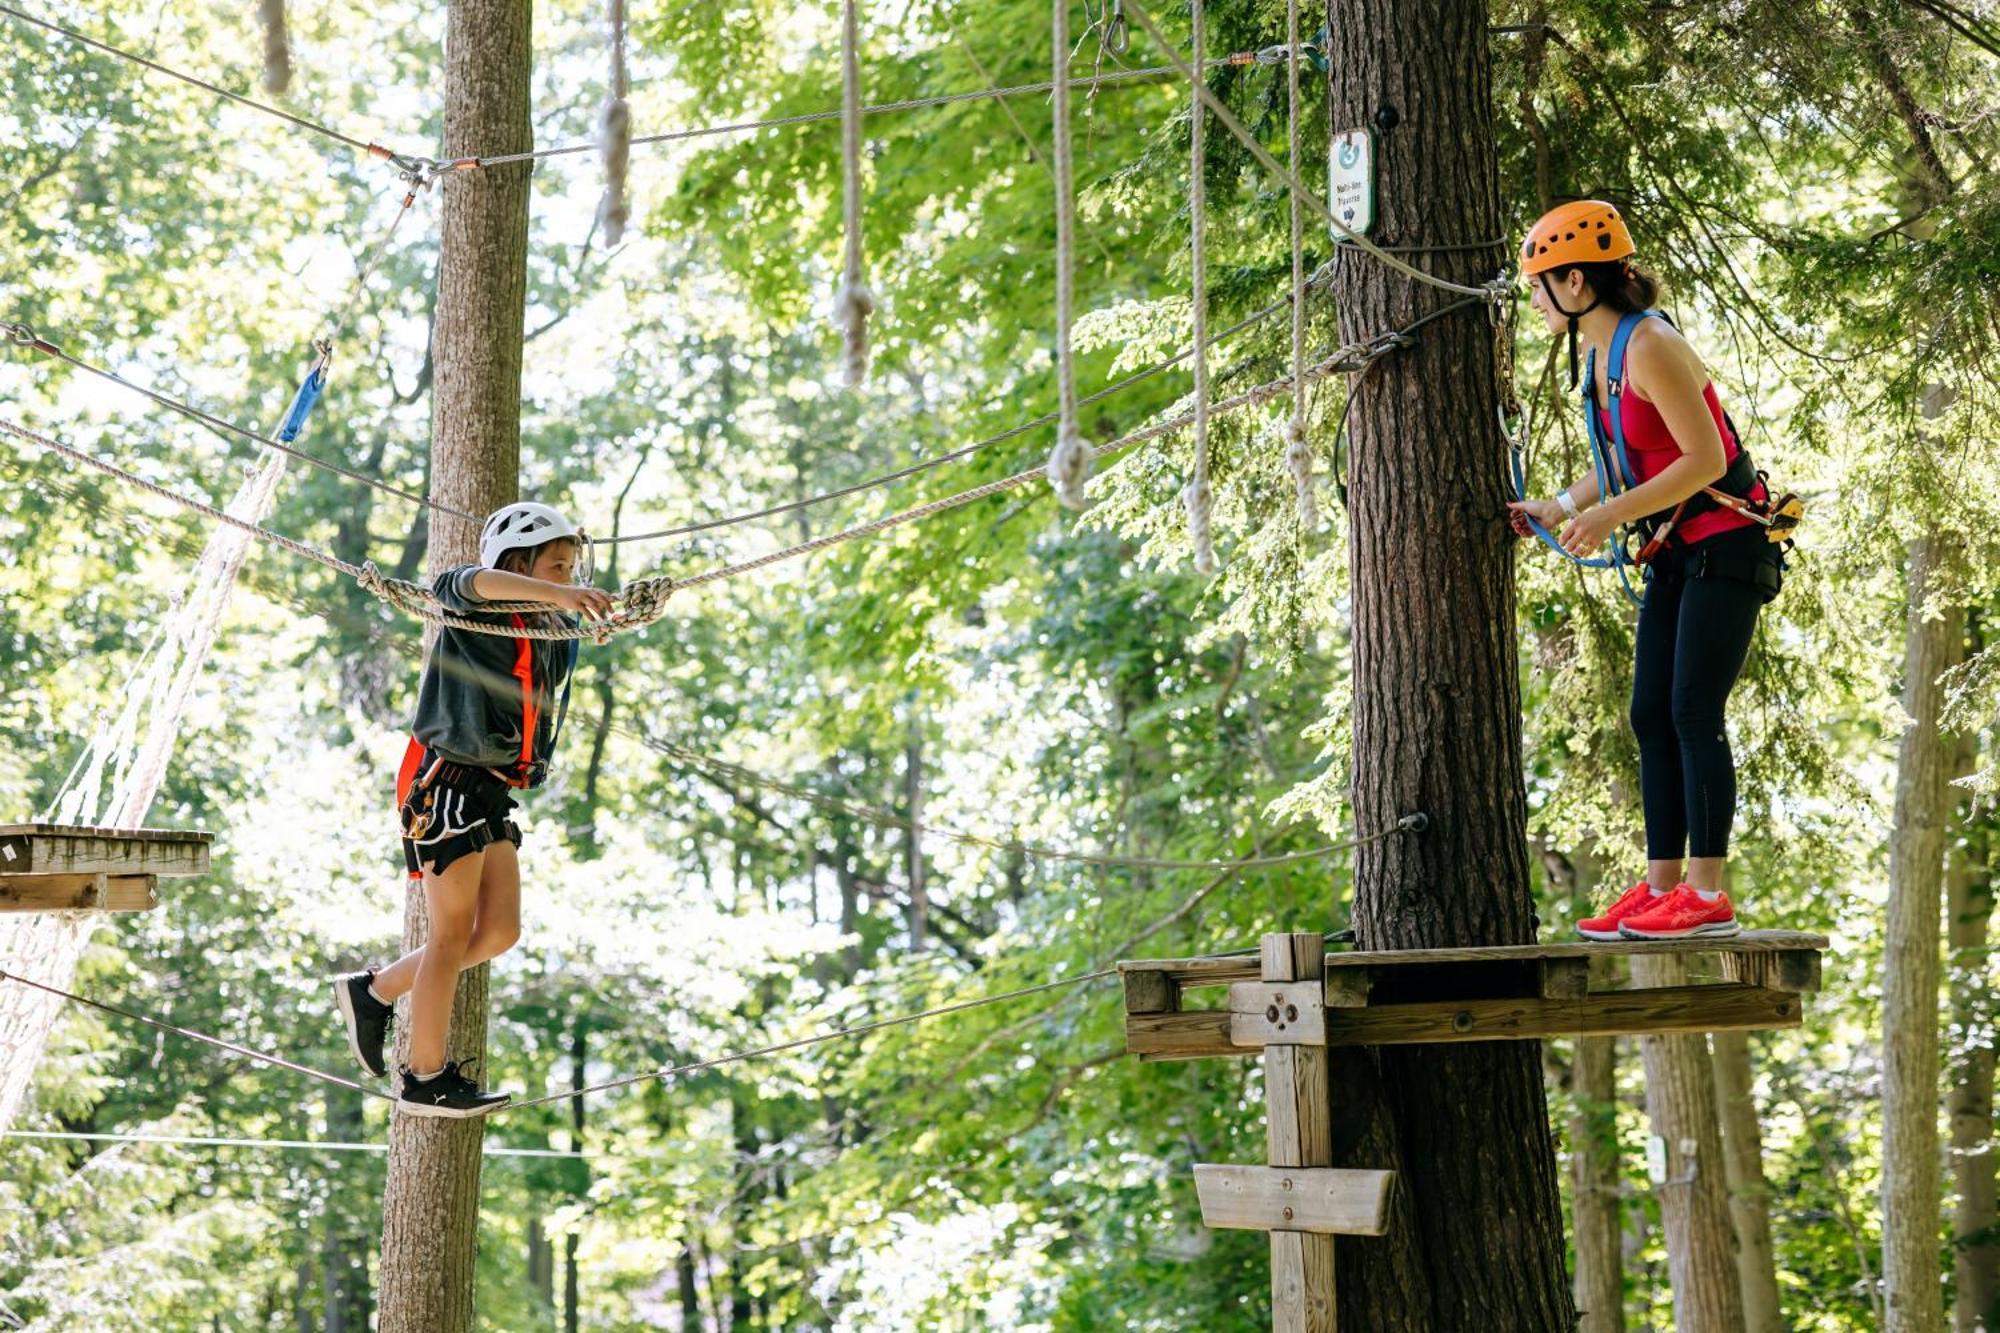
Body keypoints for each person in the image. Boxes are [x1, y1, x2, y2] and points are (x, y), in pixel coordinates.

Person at [1506, 200, 1786, 943]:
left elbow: (1708, 459)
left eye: (1538, 283)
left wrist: (1606, 515)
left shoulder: (1651, 345)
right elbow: (1622, 460)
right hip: (1675, 550)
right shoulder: (1600, 355)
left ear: (1574, 282)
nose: (1532, 298)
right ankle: (1662, 884)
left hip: (1726, 544)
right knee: (1649, 715)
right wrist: (1563, 504)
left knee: (1694, 710)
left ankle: (1706, 895)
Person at [332, 502, 613, 1117]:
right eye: (555, 566)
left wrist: (581, 613)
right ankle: (422, 1079)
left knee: (499, 932)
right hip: (450, 787)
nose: (565, 577)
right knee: (451, 934)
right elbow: (463, 581)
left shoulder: (546, 635)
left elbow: (555, 647)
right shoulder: (474, 605)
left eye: (570, 568)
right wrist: (559, 596)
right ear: (519, 562)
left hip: (488, 795)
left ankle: (373, 991)